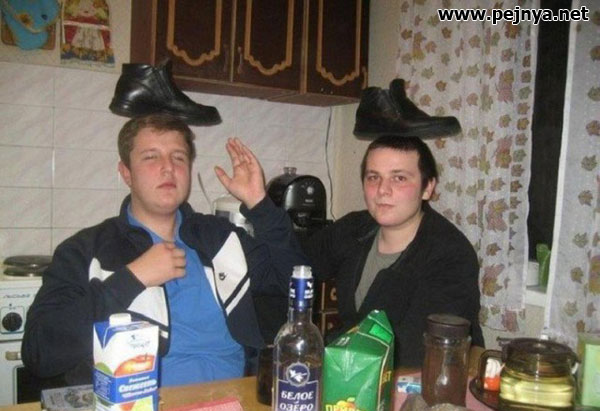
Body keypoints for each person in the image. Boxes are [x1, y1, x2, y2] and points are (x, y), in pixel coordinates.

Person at [22, 114, 306, 387]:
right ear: (126, 173)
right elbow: (39, 353)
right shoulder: (86, 251)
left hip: (237, 401)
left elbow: (297, 283)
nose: (168, 167)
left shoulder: (220, 239)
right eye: (151, 157)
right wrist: (132, 279)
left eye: (178, 157)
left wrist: (260, 205)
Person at [304, 135, 484, 367]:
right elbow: (295, 265)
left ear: (428, 188)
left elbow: (416, 353)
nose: (382, 190)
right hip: (352, 370)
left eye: (399, 178)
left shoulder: (450, 255)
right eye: (373, 177)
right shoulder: (355, 229)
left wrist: (327, 354)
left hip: (415, 381)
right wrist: (262, 205)